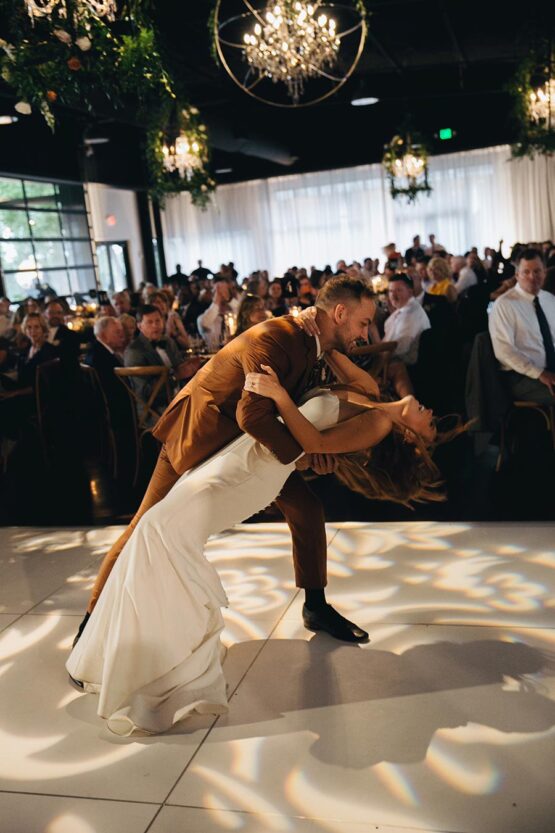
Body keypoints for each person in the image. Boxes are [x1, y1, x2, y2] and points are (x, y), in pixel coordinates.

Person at [66, 341, 445, 736]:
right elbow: (331, 348)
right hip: (241, 446)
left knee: (158, 531)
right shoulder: (367, 389)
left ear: (410, 438)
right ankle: (101, 630)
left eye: (430, 427)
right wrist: (315, 333)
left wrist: (283, 402)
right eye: (361, 321)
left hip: (258, 464)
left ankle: (159, 653)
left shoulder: (377, 424)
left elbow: (313, 442)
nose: (431, 413)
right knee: (150, 531)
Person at [72, 277, 377, 655]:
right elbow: (252, 416)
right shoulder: (281, 336)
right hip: (197, 436)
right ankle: (89, 623)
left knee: (307, 508)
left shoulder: (310, 338)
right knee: (142, 526)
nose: (366, 333)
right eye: (363, 323)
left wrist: (315, 449)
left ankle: (315, 606)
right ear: (341, 312)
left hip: (246, 446)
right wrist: (305, 456)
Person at [489, 248, 555, 405]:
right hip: (520, 376)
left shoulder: (550, 300)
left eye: (537, 271)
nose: (532, 277)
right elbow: (504, 351)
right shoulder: (504, 304)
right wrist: (539, 373)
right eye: (526, 272)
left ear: (544, 273)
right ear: (517, 275)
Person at [384, 274, 431, 366]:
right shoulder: (402, 309)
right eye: (390, 291)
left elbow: (400, 349)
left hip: (405, 366)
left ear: (410, 292)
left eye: (398, 290)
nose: (393, 295)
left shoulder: (411, 313)